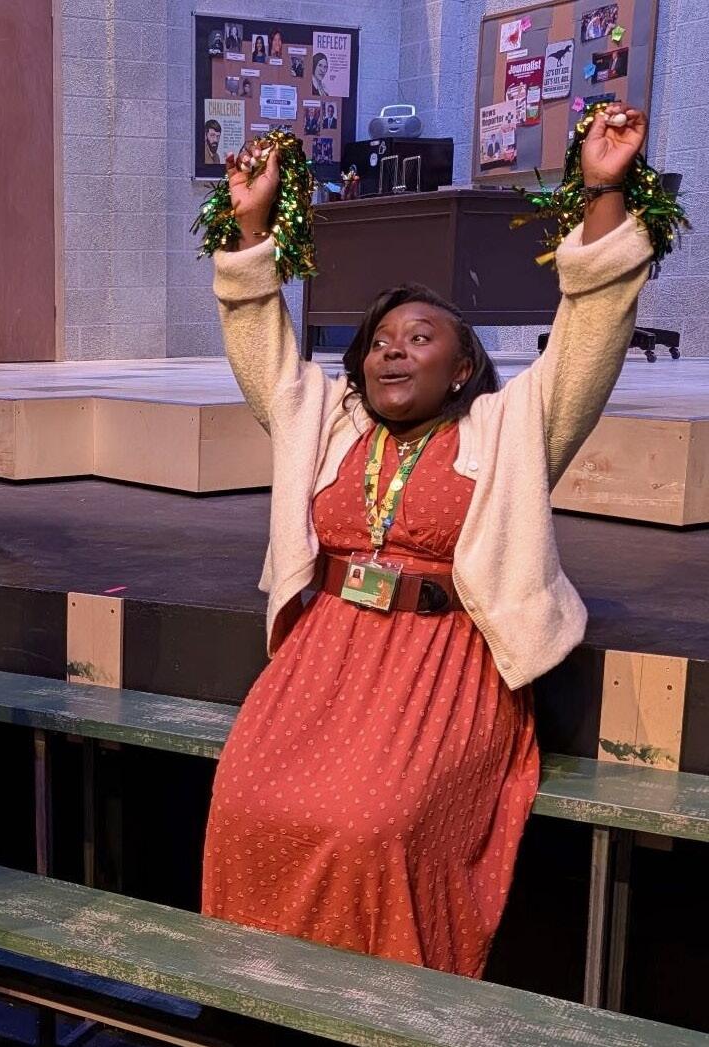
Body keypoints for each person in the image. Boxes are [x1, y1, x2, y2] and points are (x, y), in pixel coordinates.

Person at [200, 105, 655, 977]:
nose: (392, 353)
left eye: (419, 338)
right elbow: (262, 346)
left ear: (463, 366)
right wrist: (251, 225)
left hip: (443, 666)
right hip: (325, 659)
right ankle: (253, 1004)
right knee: (244, 795)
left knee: (375, 824)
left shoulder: (508, 428)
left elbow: (591, 331)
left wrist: (602, 189)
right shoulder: (324, 422)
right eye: (379, 341)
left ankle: (377, 1015)